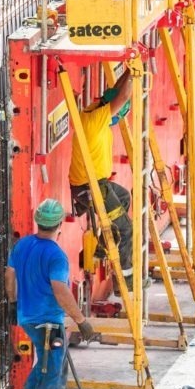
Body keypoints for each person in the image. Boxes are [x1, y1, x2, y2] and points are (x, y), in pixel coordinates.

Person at [5, 198, 95, 389]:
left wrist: (13, 304)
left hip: (28, 317)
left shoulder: (22, 246)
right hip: (48, 322)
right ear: (59, 225)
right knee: (52, 371)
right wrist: (81, 321)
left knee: (50, 362)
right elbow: (61, 290)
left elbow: (9, 276)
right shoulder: (56, 255)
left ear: (38, 222)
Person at [69, 67, 148, 293]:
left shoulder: (93, 110)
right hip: (92, 187)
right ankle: (128, 284)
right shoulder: (96, 120)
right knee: (127, 230)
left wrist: (129, 69)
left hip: (94, 183)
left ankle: (103, 247)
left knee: (123, 196)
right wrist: (134, 75)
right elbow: (122, 97)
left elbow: (114, 93)